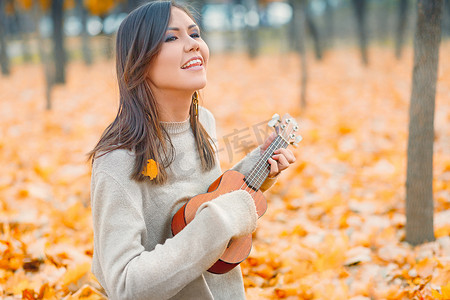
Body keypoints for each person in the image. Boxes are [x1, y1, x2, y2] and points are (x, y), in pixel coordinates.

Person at [88, 1, 296, 299]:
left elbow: (199, 202)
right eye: (171, 38)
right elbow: (125, 285)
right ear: (139, 61)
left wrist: (256, 170)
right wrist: (221, 220)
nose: (192, 45)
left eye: (195, 34)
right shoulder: (118, 158)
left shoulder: (203, 123)